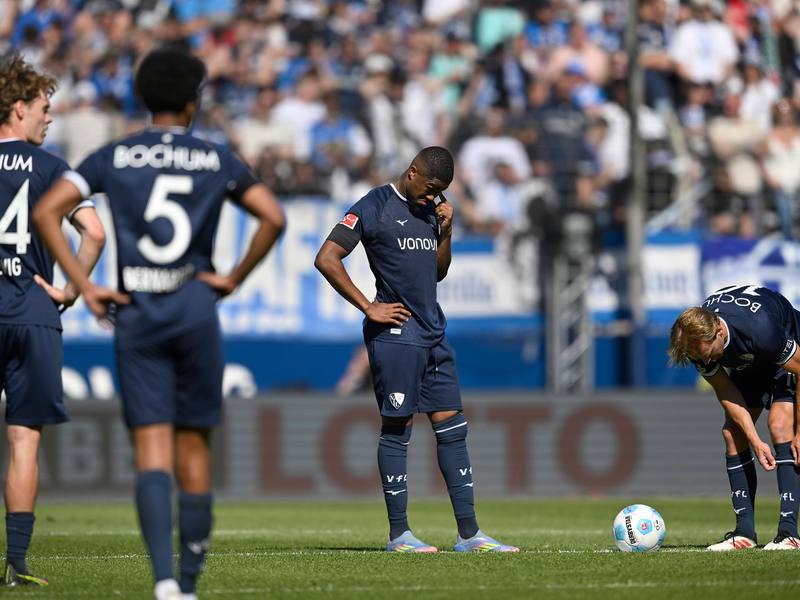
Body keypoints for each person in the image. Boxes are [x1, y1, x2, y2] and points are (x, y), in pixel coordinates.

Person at [32, 47, 286, 599]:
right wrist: (236, 276)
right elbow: (273, 216)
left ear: (143, 98)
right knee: (193, 449)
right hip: (195, 309)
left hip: (137, 316)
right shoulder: (216, 158)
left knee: (151, 451)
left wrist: (86, 283)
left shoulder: (113, 157)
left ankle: (165, 583)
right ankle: (190, 586)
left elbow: (47, 212)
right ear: (194, 100)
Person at [314, 146, 519, 553]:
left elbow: (437, 272)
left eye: (440, 192)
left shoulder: (432, 211)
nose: (433, 198)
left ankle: (469, 535)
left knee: (453, 428)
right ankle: (399, 534)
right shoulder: (373, 205)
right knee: (398, 430)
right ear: (412, 173)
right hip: (396, 334)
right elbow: (327, 258)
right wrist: (369, 306)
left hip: (433, 332)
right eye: (429, 189)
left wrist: (445, 232)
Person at [0, 54, 106, 586]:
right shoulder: (53, 169)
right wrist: (68, 289)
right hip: (34, 313)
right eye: (43, 108)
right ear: (17, 109)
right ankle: (15, 566)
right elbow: (95, 233)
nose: (49, 118)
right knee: (23, 441)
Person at [668, 284, 800, 550]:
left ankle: (789, 533)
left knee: (779, 425)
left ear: (719, 331)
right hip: (751, 359)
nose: (705, 361)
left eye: (708, 354)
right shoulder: (695, 344)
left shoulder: (761, 329)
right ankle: (744, 534)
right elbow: (725, 389)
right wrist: (754, 440)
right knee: (732, 433)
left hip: (789, 346)